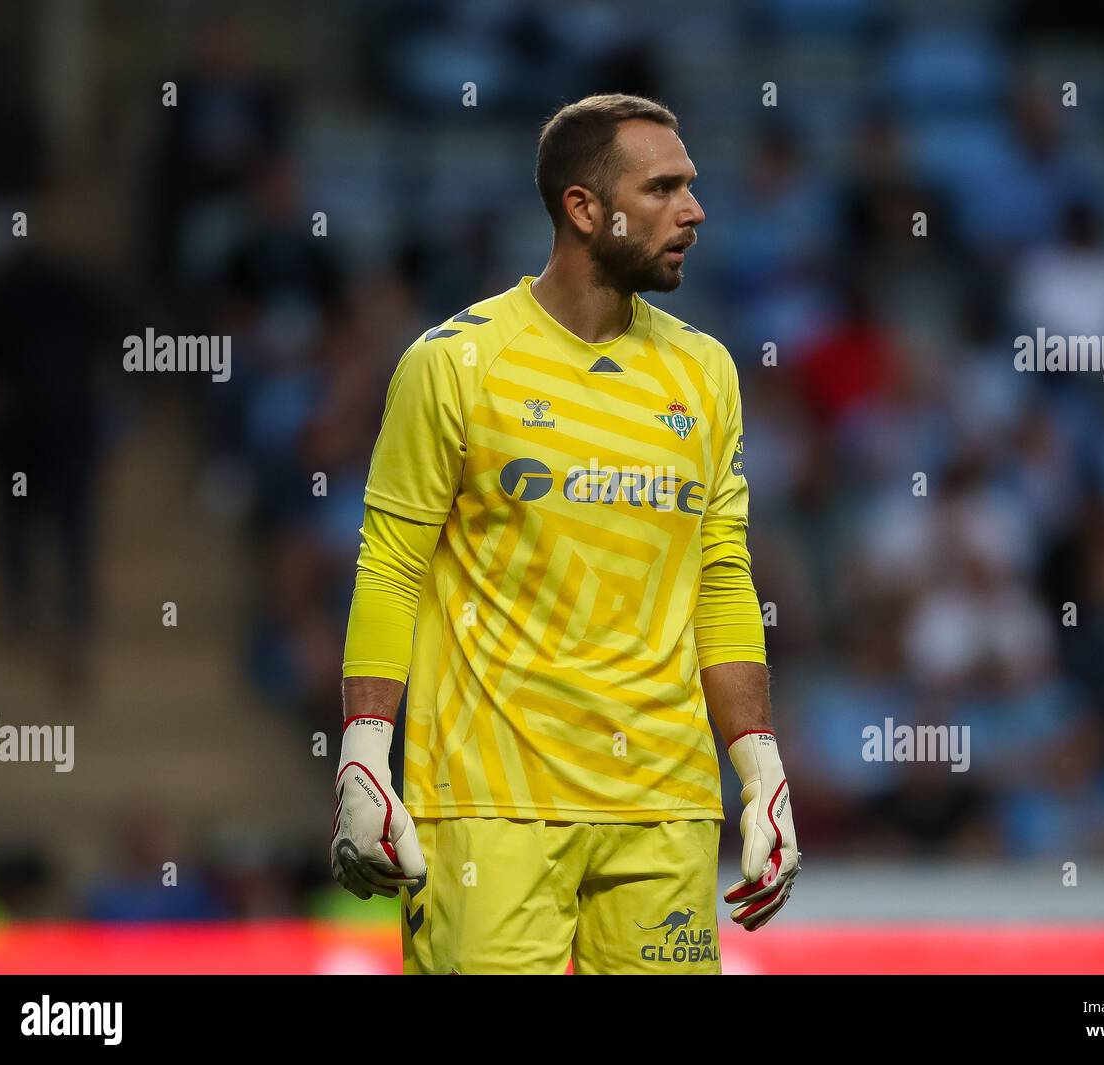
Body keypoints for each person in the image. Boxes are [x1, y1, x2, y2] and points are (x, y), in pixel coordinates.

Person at [329, 94, 798, 974]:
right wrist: (364, 758)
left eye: (690, 186)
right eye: (663, 188)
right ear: (585, 209)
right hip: (488, 807)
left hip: (665, 808)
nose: (693, 210)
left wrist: (761, 771)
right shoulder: (455, 364)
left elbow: (722, 574)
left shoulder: (705, 372)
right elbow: (391, 567)